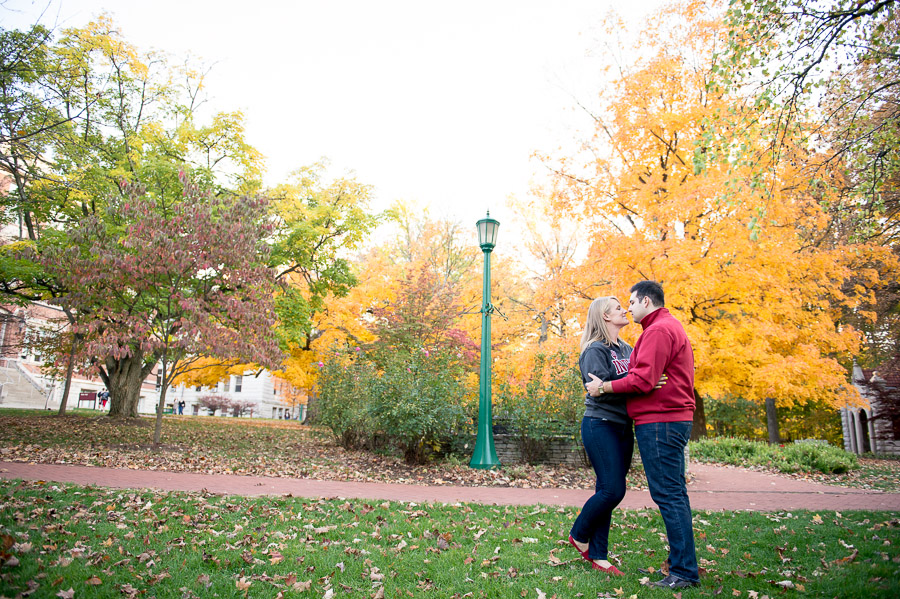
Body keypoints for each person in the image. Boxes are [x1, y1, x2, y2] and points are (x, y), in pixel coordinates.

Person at [586, 280, 700, 589]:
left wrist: (604, 387)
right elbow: (644, 377)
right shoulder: (661, 328)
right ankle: (684, 567)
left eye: (632, 302)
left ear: (646, 301)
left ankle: (683, 572)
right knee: (675, 495)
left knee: (669, 495)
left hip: (661, 422)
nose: (629, 307)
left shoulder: (658, 330)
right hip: (663, 419)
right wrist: (642, 378)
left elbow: (642, 380)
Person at [568, 296, 634, 576]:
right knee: (612, 490)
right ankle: (578, 533)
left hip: (623, 426)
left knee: (605, 490)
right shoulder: (595, 350)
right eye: (618, 308)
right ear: (605, 316)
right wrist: (637, 385)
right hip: (600, 423)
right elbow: (600, 389)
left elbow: (623, 384)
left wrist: (634, 384)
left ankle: (599, 554)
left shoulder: (627, 348)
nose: (625, 310)